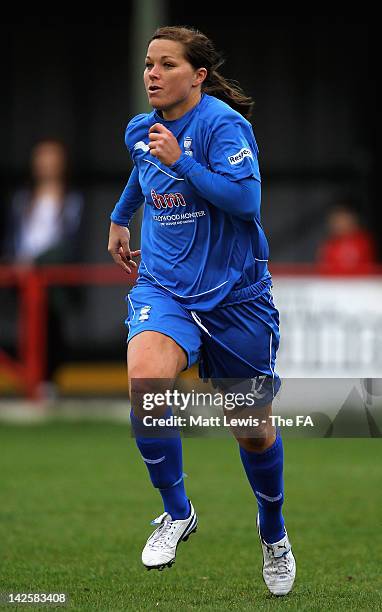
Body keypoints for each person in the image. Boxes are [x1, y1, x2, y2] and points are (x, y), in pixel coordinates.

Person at [108, 26, 296, 596]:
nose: (152, 74)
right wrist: (120, 217)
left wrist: (185, 161)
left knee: (252, 430)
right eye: (148, 64)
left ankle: (273, 531)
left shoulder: (223, 126)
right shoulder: (142, 131)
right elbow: (144, 174)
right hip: (165, 289)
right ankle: (176, 510)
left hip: (235, 299)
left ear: (198, 75)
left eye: (166, 64)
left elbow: (246, 200)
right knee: (146, 377)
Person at [3, 139, 84, 380]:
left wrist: (38, 261)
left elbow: (70, 243)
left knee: (51, 325)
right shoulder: (22, 199)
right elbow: (15, 236)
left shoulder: (71, 199)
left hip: (52, 276)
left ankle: (48, 378)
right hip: (23, 274)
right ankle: (30, 378)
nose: (47, 166)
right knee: (27, 327)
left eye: (52, 161)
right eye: (42, 161)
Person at [316, 201, 377, 274]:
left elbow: (370, 268)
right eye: (336, 221)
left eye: (343, 219)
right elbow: (323, 269)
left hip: (360, 282)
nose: (339, 224)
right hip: (335, 283)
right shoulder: (329, 244)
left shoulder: (363, 241)